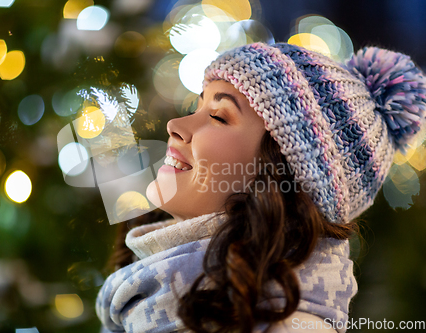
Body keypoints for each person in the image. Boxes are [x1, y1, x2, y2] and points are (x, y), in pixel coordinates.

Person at [95, 42, 426, 333]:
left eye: (219, 117)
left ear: (279, 177)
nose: (175, 126)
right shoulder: (146, 296)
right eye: (197, 107)